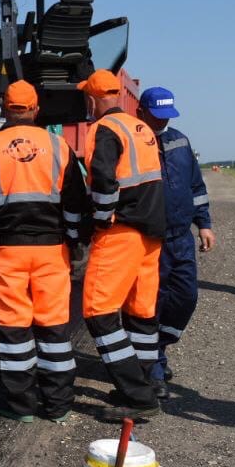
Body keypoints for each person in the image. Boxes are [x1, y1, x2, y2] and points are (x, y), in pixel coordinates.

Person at [0, 80, 90, 423]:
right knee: (54, 328)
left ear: (5, 109)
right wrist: (75, 240)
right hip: (51, 251)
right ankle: (58, 405)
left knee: (15, 330)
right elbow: (75, 202)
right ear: (36, 110)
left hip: (6, 252)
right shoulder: (59, 147)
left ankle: (20, 406)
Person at [77, 70, 165, 421]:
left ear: (93, 99)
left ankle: (138, 396)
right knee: (140, 312)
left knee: (98, 313)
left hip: (122, 233)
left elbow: (104, 181)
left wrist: (97, 220)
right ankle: (147, 381)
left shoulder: (104, 129)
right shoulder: (140, 127)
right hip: (151, 233)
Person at [137, 87, 215, 399]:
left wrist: (204, 224)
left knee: (185, 298)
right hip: (149, 241)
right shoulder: (134, 141)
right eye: (157, 117)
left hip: (181, 237)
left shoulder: (180, 140)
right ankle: (154, 369)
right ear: (142, 111)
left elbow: (196, 185)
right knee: (151, 305)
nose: (162, 123)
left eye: (167, 117)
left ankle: (159, 350)